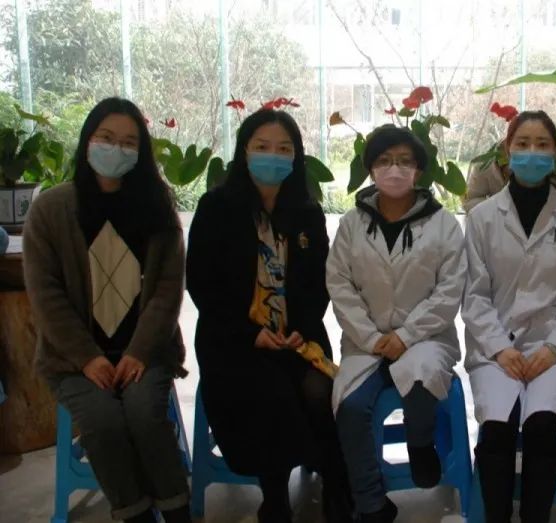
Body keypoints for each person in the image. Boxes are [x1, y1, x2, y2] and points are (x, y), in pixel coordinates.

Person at [23, 97, 190, 522]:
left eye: (129, 142)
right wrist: (87, 357)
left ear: (142, 152)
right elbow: (46, 295)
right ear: (87, 141)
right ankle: (134, 512)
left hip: (145, 352)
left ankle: (177, 509)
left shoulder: (157, 209)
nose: (117, 149)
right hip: (74, 359)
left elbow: (167, 290)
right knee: (103, 421)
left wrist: (139, 351)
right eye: (107, 138)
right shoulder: (51, 210)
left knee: (144, 414)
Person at [186, 109, 352, 523]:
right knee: (270, 391)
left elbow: (319, 283)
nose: (272, 156)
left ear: (296, 157)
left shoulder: (307, 212)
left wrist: (301, 329)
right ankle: (275, 497)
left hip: (297, 337)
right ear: (244, 151)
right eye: (262, 147)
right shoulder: (216, 208)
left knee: (321, 391)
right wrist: (249, 334)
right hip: (233, 340)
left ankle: (337, 486)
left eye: (283, 149)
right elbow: (202, 285)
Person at [462, 110, 556, 523]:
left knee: (543, 426)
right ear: (507, 150)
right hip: (496, 349)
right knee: (498, 428)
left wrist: (554, 348)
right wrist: (499, 349)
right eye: (522, 144)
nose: (532, 152)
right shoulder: (483, 218)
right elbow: (474, 295)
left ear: (555, 152)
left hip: (555, 346)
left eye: (542, 144)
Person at [327, 125, 467, 523]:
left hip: (426, 338)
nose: (395, 169)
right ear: (371, 169)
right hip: (365, 341)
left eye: (405, 161)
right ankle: (371, 503)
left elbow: (449, 290)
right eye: (385, 160)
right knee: (351, 408)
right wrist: (371, 337)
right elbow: (339, 283)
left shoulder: (443, 224)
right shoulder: (352, 223)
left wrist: (406, 335)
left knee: (421, 382)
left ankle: (419, 444)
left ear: (419, 170)